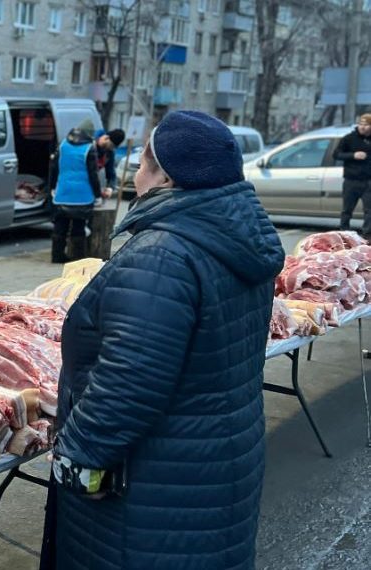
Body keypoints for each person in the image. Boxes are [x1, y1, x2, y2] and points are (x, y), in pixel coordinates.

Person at [40, 111, 285, 570]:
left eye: (141, 162)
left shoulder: (162, 254)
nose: (134, 172)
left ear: (166, 176)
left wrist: (77, 456)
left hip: (152, 481)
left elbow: (129, 383)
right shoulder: (236, 237)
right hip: (216, 464)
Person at [49, 127, 104, 263]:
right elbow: (93, 174)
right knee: (79, 227)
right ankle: (78, 258)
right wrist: (98, 195)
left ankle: (57, 256)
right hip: (83, 195)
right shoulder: (89, 148)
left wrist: (52, 187)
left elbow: (54, 169)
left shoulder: (62, 146)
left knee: (60, 227)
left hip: (63, 192)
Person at [334, 113, 371, 236]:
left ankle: (367, 236)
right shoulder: (349, 139)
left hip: (368, 181)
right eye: (361, 124)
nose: (363, 127)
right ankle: (344, 234)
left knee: (369, 211)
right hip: (351, 180)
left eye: (366, 125)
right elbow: (336, 154)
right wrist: (353, 155)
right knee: (347, 210)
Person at [94, 128, 126, 196]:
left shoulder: (109, 153)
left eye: (114, 147)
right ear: (106, 138)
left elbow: (111, 174)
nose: (111, 148)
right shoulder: (90, 146)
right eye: (111, 145)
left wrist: (110, 188)